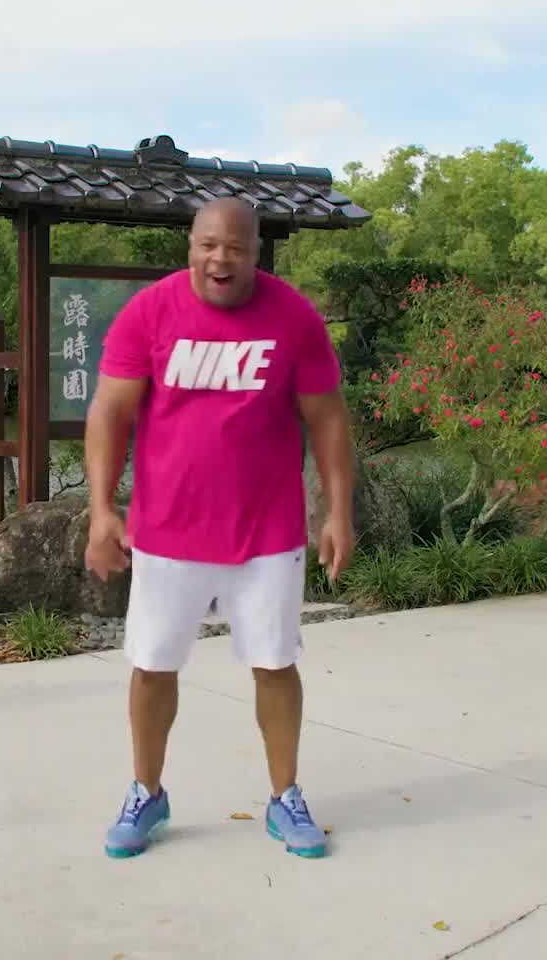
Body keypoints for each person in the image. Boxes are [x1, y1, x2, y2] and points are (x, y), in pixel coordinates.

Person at [83, 196, 355, 860]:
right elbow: (110, 413)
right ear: (191, 246)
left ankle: (285, 797)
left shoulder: (293, 317)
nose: (220, 259)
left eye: (235, 247)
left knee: (275, 662)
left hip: (267, 532)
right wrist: (102, 509)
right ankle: (146, 793)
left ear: (256, 252)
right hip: (167, 530)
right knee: (153, 665)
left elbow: (327, 418)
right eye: (208, 245)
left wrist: (339, 512)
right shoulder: (150, 312)